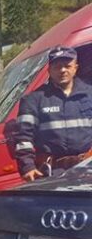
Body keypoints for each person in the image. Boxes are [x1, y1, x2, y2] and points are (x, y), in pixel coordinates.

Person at [13, 46, 92, 182]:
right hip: (52, 171)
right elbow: (23, 138)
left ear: (75, 68)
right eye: (57, 67)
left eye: (67, 66)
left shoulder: (89, 94)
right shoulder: (33, 99)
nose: (62, 70)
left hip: (87, 167)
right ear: (49, 70)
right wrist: (27, 167)